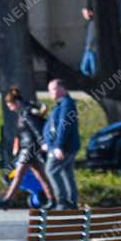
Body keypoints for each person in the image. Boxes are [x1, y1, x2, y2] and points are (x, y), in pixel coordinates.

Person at [0, 87, 54, 208]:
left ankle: (7, 200)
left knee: (19, 175)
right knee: (41, 177)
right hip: (30, 149)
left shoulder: (26, 112)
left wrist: (43, 142)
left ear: (16, 102)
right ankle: (53, 200)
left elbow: (36, 129)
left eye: (10, 105)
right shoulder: (27, 110)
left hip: (29, 149)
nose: (10, 108)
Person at [42, 79, 80, 209]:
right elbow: (53, 126)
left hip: (63, 147)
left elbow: (64, 127)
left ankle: (62, 201)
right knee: (66, 172)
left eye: (52, 89)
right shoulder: (60, 105)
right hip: (62, 146)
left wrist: (58, 146)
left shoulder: (67, 104)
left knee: (51, 170)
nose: (50, 93)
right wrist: (48, 142)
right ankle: (71, 201)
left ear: (62, 89)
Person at [80, 7, 97, 77]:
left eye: (85, 13)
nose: (84, 15)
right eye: (83, 13)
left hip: (93, 49)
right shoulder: (90, 23)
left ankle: (95, 82)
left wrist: (90, 46)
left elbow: (93, 36)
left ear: (90, 12)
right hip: (88, 49)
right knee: (83, 68)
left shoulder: (94, 23)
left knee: (94, 68)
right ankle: (91, 81)